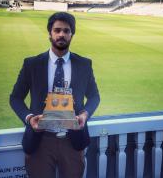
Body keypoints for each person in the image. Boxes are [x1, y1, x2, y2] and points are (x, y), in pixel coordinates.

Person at [10, 12, 100, 178]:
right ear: (50, 34)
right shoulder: (32, 64)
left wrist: (85, 115)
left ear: (72, 34)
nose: (61, 34)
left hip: (72, 140)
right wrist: (29, 118)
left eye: (66, 31)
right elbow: (15, 98)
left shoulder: (84, 64)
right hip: (40, 140)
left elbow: (94, 96)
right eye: (57, 30)